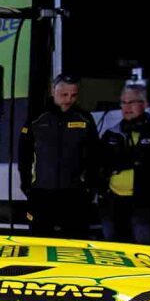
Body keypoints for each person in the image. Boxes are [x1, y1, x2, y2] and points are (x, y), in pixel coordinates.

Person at [17, 73, 98, 237]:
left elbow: (94, 155)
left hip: (74, 195)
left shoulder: (85, 119)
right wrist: (26, 185)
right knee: (40, 240)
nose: (69, 99)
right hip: (42, 193)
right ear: (53, 91)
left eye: (73, 95)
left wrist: (90, 187)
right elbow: (23, 155)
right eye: (64, 94)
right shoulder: (36, 119)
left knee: (75, 242)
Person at [96, 83, 150, 244]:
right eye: (123, 102)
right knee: (112, 248)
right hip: (112, 202)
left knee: (142, 250)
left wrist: (122, 160)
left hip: (143, 203)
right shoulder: (111, 133)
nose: (127, 107)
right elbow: (101, 162)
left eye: (132, 102)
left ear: (145, 104)